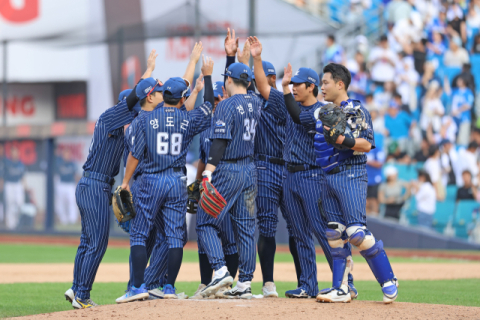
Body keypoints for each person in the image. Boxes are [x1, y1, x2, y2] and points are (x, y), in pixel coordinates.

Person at [64, 50, 159, 309]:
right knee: (97, 243)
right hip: (95, 184)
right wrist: (148, 70)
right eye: (130, 109)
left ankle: (76, 288)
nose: (134, 113)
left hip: (93, 184)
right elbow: (136, 96)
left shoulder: (115, 129)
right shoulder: (110, 117)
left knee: (87, 242)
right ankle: (82, 294)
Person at [121, 70, 214, 301]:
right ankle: (169, 287)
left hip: (151, 179)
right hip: (176, 182)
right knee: (174, 237)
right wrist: (208, 79)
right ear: (182, 99)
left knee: (140, 234)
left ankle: (138, 287)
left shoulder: (145, 118)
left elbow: (134, 154)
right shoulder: (187, 119)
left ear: (165, 95)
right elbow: (210, 105)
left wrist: (125, 182)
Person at [314, 63, 398, 304]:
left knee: (356, 232)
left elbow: (366, 145)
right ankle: (340, 288)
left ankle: (388, 280)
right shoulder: (325, 111)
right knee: (334, 233)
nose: (322, 87)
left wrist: (341, 138)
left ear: (340, 84)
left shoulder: (356, 110)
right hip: (328, 175)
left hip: (350, 172)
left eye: (326, 82)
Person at [196, 62, 262, 299]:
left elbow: (220, 141)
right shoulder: (256, 102)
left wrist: (208, 171)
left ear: (228, 81)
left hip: (229, 169)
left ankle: (221, 270)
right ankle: (244, 283)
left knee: (204, 221)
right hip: (249, 170)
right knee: (245, 228)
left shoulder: (225, 105)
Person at [249, 36, 301, 298]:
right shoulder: (252, 102)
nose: (265, 80)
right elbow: (248, 82)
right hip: (265, 166)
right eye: (263, 77)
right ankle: (268, 283)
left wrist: (256, 59)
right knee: (267, 225)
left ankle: (305, 281)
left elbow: (258, 82)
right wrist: (242, 58)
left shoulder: (281, 100)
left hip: (287, 168)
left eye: (268, 76)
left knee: (296, 227)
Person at [4, 145, 25, 230]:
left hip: (18, 184)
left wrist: (25, 187)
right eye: (13, 152)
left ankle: (16, 221)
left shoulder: (21, 164)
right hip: (9, 184)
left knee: (20, 203)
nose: (15, 154)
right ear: (11, 153)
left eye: (16, 152)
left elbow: (23, 177)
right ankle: (10, 224)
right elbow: (3, 176)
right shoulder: (7, 163)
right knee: (10, 204)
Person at [55, 149, 79, 225]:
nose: (66, 156)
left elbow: (76, 175)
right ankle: (63, 220)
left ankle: (72, 219)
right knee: (61, 203)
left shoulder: (73, 164)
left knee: (71, 201)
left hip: (70, 185)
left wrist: (77, 185)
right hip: (61, 184)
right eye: (65, 154)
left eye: (68, 154)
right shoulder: (59, 163)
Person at [366, 133, 386, 216]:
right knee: (365, 201)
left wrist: (367, 161)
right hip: (365, 179)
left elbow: (379, 164)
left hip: (375, 179)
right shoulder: (362, 149)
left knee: (374, 201)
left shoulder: (378, 149)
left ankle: (374, 218)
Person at [450, 77, 474, 146]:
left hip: (464, 119)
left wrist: (458, 110)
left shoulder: (468, 92)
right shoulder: (455, 90)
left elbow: (468, 105)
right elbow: (447, 91)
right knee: (454, 137)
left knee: (462, 139)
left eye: (459, 80)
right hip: (454, 119)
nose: (457, 81)